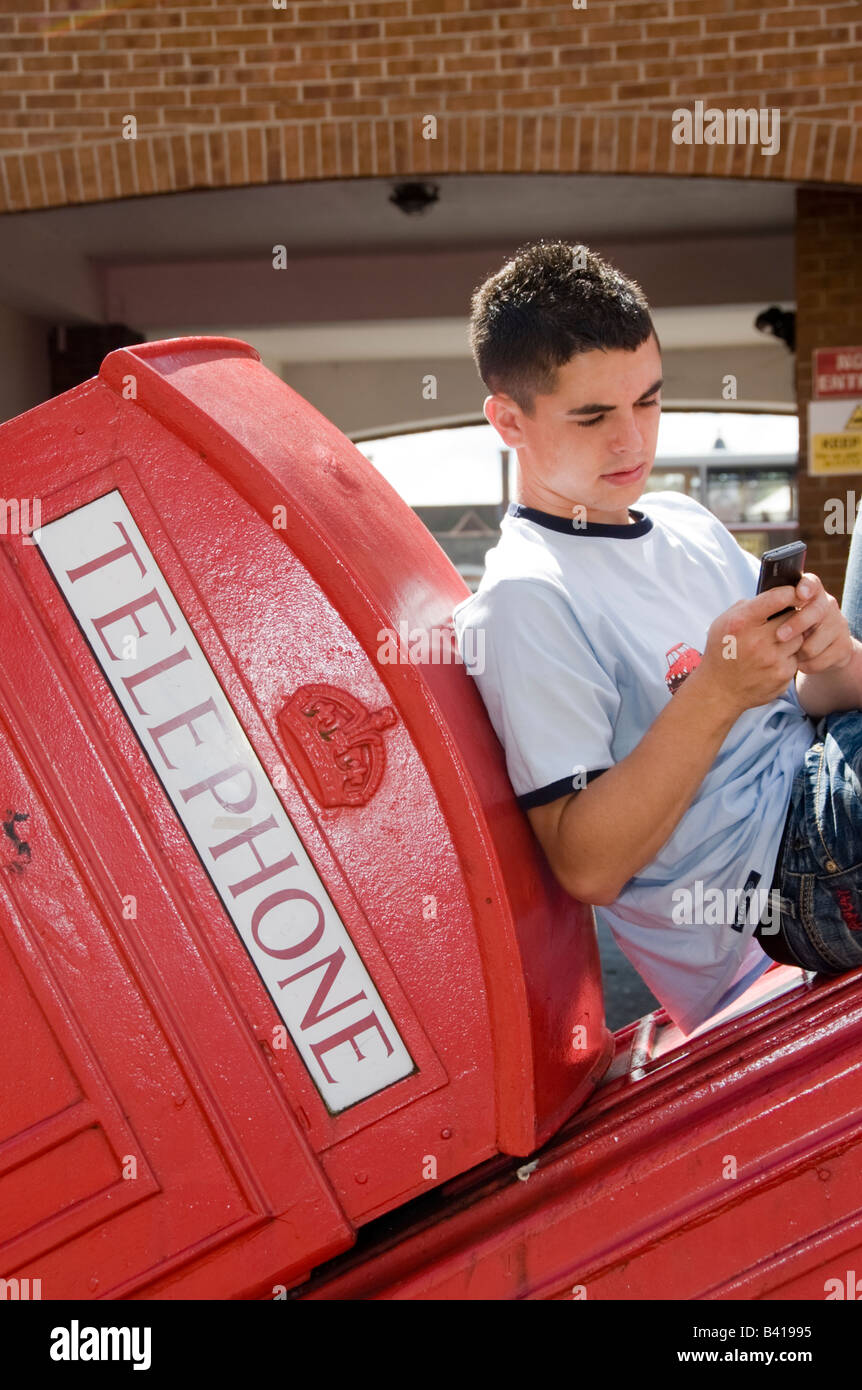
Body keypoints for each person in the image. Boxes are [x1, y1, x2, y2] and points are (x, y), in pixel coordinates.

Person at [453, 240, 862, 1036]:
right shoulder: (527, 597)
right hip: (783, 887)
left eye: (647, 402)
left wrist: (831, 649)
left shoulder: (683, 522)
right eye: (594, 416)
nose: (632, 442)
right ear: (508, 419)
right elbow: (587, 864)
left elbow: (818, 699)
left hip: (832, 775)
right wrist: (715, 693)